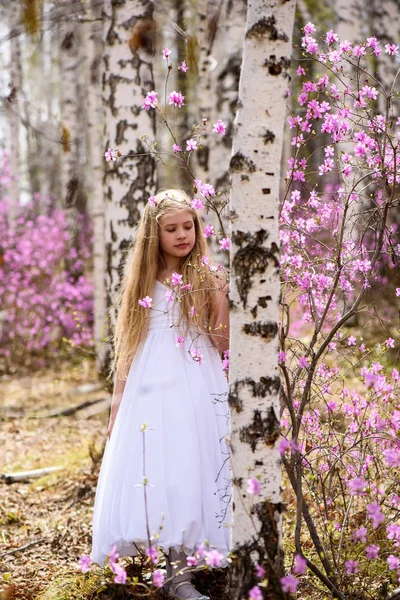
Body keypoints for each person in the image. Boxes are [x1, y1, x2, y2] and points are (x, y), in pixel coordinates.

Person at [90, 189, 232, 599]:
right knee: (164, 465)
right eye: (171, 229)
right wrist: (117, 408)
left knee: (194, 464)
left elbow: (221, 342)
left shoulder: (205, 275)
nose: (182, 235)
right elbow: (129, 347)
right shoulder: (144, 281)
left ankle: (184, 565)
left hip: (197, 376)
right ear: (155, 235)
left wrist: (220, 295)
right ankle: (174, 574)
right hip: (153, 382)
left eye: (188, 226)